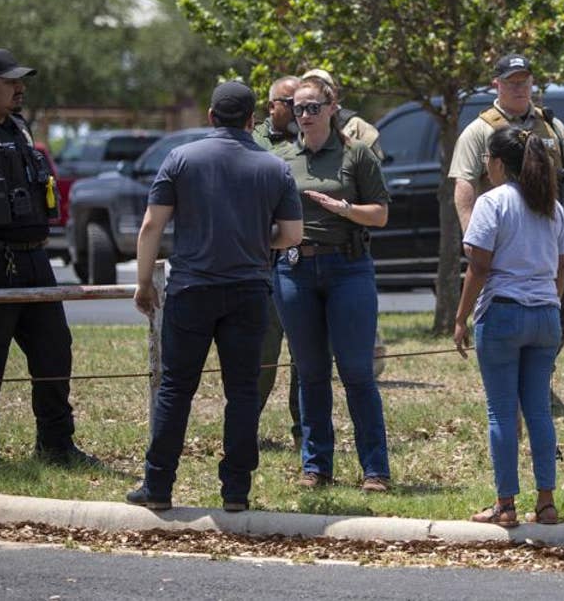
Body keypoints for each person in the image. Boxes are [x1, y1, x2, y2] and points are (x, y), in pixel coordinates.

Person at [126, 81, 303, 512]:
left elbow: (152, 226)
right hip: (248, 290)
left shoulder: (181, 159)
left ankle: (159, 485)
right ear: (251, 121)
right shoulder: (274, 167)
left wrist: (144, 281)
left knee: (175, 388)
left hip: (191, 288)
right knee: (242, 391)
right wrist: (258, 243)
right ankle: (236, 490)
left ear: (209, 116)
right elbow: (293, 235)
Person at [0, 48, 98, 467]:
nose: (21, 88)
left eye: (21, 81)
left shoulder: (17, 126)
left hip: (34, 260)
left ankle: (56, 446)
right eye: (11, 81)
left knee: (55, 350)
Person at [272, 75, 392, 492]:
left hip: (348, 268)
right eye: (297, 107)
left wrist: (343, 208)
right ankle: (316, 465)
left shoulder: (357, 154)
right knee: (310, 372)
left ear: (331, 106)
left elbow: (380, 214)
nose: (304, 115)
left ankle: (375, 469)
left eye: (312, 107)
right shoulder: (283, 158)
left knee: (357, 371)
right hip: (295, 269)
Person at [454, 127, 564, 526]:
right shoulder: (552, 206)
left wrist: (460, 316)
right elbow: (562, 263)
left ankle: (505, 505)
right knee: (539, 411)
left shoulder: (492, 203)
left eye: (488, 158)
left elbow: (479, 266)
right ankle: (547, 502)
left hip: (502, 313)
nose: (485, 164)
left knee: (501, 413)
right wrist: (550, 300)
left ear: (499, 162)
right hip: (545, 317)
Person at [449, 54, 564, 347]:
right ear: (496, 85)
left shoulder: (551, 125)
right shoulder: (480, 131)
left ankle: (540, 370)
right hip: (503, 235)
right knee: (503, 307)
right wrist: (471, 235)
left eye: (524, 81)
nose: (519, 88)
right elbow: (464, 184)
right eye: (511, 82)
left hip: (547, 233)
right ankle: (511, 372)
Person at [252, 75, 304, 447]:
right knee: (263, 352)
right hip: (268, 260)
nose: (301, 109)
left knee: (306, 355)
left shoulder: (314, 138)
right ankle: (245, 427)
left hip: (306, 261)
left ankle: (306, 431)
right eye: (292, 101)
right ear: (273, 106)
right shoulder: (256, 141)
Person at [299, 68, 385, 162]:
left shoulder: (357, 127)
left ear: (334, 93)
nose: (314, 94)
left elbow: (374, 168)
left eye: (321, 89)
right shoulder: (299, 129)